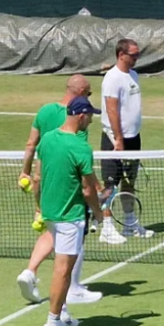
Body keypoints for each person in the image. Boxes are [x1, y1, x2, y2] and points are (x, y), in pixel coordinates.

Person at [16, 75, 103, 305]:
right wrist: (96, 188)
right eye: (89, 93)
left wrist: (25, 172)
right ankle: (72, 289)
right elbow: (79, 161)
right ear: (81, 93)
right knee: (73, 237)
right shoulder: (78, 123)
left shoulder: (45, 111)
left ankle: (30, 271)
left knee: (51, 231)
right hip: (67, 186)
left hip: (44, 184)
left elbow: (31, 144)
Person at [35, 95, 104, 326]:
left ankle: (61, 314)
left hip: (50, 214)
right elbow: (87, 190)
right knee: (63, 270)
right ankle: (52, 325)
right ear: (81, 116)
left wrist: (39, 207)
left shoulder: (47, 139)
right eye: (90, 116)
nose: (91, 121)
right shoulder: (81, 147)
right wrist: (98, 213)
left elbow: (37, 178)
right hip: (69, 217)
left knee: (62, 269)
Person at [99, 38, 153, 244]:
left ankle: (130, 224)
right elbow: (111, 109)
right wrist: (118, 139)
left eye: (138, 54)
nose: (137, 58)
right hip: (114, 140)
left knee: (129, 182)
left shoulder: (133, 75)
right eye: (133, 55)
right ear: (121, 55)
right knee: (110, 185)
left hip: (133, 138)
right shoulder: (112, 78)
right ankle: (107, 228)